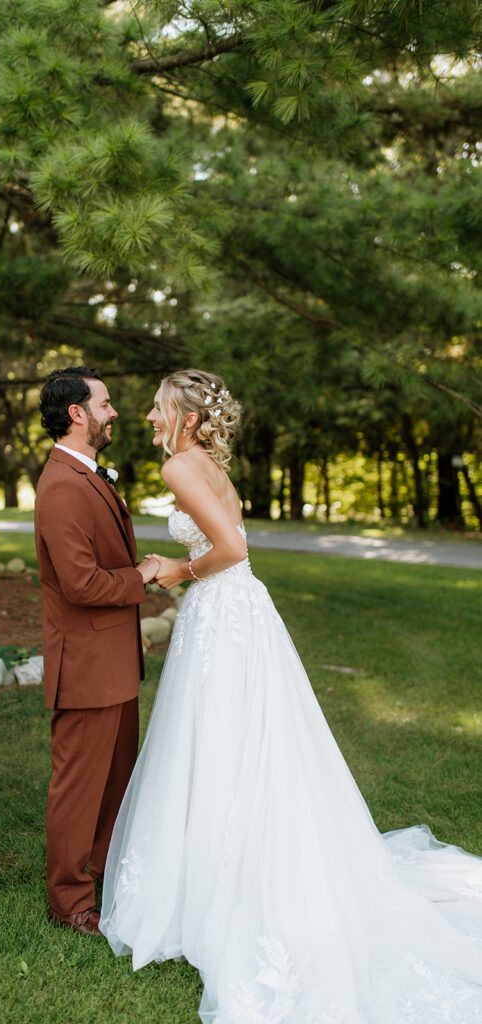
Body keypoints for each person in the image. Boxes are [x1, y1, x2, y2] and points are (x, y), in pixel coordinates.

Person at [100, 368, 482, 1022]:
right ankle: (224, 870)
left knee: (220, 743)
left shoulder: (180, 470)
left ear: (188, 419)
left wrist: (174, 569)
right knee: (244, 743)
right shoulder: (212, 467)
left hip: (224, 613)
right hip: (238, 611)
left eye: (159, 408)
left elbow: (231, 546)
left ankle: (217, 889)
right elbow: (237, 549)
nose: (149, 417)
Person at [35, 367, 158, 937]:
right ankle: (70, 901)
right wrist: (144, 578)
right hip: (86, 666)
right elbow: (81, 585)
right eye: (105, 404)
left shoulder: (86, 475)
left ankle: (103, 868)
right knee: (79, 787)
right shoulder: (60, 485)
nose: (114, 413)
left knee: (115, 781)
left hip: (113, 663)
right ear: (77, 413)